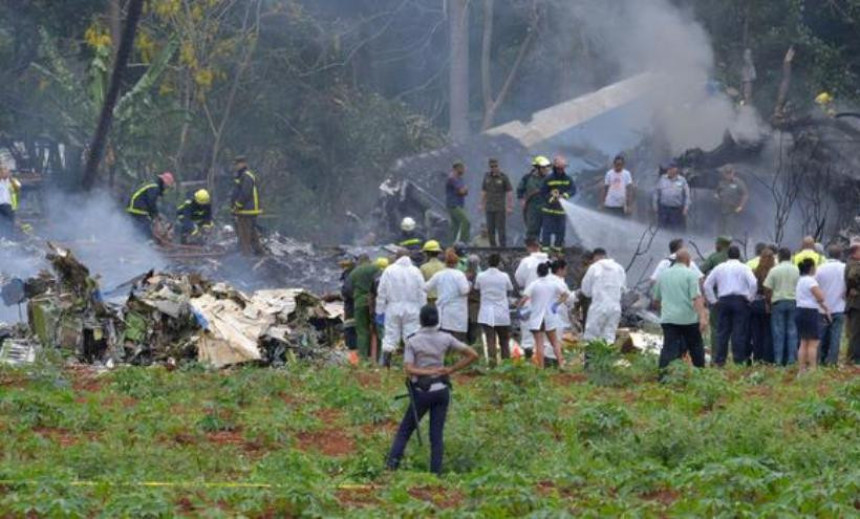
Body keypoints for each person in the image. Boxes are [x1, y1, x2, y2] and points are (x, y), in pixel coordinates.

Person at [386, 305, 478, 475]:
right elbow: (473, 354)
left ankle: (391, 466)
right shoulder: (446, 338)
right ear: (437, 320)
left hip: (422, 392)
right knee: (436, 435)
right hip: (441, 390)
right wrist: (450, 369)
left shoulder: (412, 341)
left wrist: (427, 372)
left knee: (405, 430)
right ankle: (435, 474)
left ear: (420, 320)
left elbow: (409, 369)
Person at [652, 249, 708, 373]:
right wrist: (702, 317)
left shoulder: (663, 275)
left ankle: (663, 377)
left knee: (668, 348)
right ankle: (701, 374)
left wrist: (664, 312)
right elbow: (696, 298)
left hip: (669, 319)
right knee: (696, 348)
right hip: (688, 319)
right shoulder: (691, 274)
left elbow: (656, 300)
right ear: (688, 261)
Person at [703, 245, 757, 366]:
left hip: (723, 300)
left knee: (722, 332)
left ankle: (720, 360)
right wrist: (750, 298)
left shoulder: (719, 267)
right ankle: (738, 361)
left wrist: (713, 300)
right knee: (739, 332)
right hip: (740, 301)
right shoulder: (744, 267)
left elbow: (707, 284)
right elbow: (753, 283)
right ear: (739, 255)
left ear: (728, 255)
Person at [376, 249, 427, 366]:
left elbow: (381, 293)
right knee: (412, 336)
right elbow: (422, 292)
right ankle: (412, 365)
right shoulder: (416, 271)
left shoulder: (389, 270)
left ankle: (386, 365)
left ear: (396, 257)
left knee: (390, 337)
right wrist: (422, 309)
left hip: (393, 308)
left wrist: (379, 311)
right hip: (413, 309)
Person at [520, 262, 569, 368]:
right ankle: (561, 364)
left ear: (537, 272)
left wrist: (519, 307)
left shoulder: (534, 284)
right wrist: (556, 304)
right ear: (548, 272)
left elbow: (524, 299)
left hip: (537, 317)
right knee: (555, 342)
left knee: (539, 343)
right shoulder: (553, 283)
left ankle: (541, 367)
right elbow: (565, 295)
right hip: (550, 316)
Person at [580, 248, 626, 344]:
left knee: (591, 336)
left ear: (594, 258)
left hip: (599, 306)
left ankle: (590, 358)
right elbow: (623, 289)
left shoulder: (594, 268)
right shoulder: (619, 268)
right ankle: (605, 358)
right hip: (615, 307)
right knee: (609, 336)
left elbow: (585, 291)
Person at [475, 253, 514, 366]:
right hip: (501, 312)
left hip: (486, 312)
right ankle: (506, 366)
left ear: (488, 262)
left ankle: (492, 366)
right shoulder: (504, 276)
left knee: (490, 339)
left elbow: (476, 287)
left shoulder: (481, 276)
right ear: (499, 263)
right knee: (504, 341)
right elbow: (510, 288)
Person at [763, 247, 801, 365]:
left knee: (778, 332)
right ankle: (791, 360)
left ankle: (778, 360)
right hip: (793, 302)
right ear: (790, 256)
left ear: (779, 257)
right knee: (792, 331)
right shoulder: (797, 269)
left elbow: (767, 288)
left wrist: (768, 302)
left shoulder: (774, 270)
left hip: (778, 302)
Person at [514, 237, 549, 358]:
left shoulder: (526, 261)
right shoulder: (549, 260)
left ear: (529, 247)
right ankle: (543, 357)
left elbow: (519, 279)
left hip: (529, 299)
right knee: (545, 328)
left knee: (527, 326)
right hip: (547, 300)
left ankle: (529, 354)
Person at [425, 249, 470, 341]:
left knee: (444, 336)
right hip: (457, 311)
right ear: (456, 263)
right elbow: (464, 291)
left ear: (445, 262)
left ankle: (445, 355)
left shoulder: (439, 275)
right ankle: (456, 355)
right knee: (457, 338)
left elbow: (426, 287)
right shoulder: (459, 275)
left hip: (443, 311)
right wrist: (469, 283)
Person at [795, 259, 830, 374]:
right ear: (811, 268)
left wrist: (824, 308)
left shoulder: (800, 281)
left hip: (800, 311)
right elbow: (820, 297)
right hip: (810, 312)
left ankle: (801, 369)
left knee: (803, 341)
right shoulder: (811, 281)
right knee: (813, 343)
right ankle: (813, 369)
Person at [815, 244, 846, 366]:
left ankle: (820, 360)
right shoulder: (844, 268)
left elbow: (814, 286)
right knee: (836, 336)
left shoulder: (820, 269)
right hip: (839, 307)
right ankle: (832, 361)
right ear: (840, 255)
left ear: (828, 254)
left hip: (822, 308)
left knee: (822, 335)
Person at [701, 236, 732, 348]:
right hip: (735, 298)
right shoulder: (738, 258)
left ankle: (716, 355)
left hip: (717, 297)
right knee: (732, 327)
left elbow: (700, 271)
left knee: (715, 327)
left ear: (719, 245)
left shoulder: (714, 257)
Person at [540, 155, 576, 251]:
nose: (561, 170)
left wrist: (565, 195)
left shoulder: (568, 179)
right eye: (559, 168)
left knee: (561, 231)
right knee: (547, 231)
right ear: (554, 168)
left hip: (561, 211)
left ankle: (557, 250)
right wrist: (551, 198)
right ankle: (545, 250)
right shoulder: (548, 178)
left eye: (562, 168)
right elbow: (543, 192)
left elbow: (573, 190)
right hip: (548, 210)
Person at [544, 259, 575, 367]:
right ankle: (552, 365)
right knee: (554, 341)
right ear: (560, 270)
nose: (566, 272)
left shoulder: (544, 279)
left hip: (543, 315)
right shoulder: (559, 282)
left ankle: (545, 365)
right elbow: (569, 299)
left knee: (545, 341)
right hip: (556, 315)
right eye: (565, 269)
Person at [349, 254, 381, 359]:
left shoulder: (354, 272)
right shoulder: (376, 269)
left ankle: (363, 358)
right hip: (375, 303)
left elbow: (348, 289)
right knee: (378, 331)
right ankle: (378, 357)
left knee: (362, 331)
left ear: (360, 261)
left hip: (360, 303)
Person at [126, 171, 175, 239]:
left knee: (136, 227)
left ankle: (134, 241)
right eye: (167, 187)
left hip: (133, 206)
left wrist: (155, 215)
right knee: (145, 226)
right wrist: (156, 215)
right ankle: (147, 244)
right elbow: (151, 202)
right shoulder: (154, 187)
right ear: (164, 184)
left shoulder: (152, 185)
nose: (166, 189)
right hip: (138, 207)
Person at [231, 156, 263, 256]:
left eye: (238, 164)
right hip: (247, 210)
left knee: (244, 234)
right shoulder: (243, 176)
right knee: (252, 232)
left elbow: (245, 193)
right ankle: (258, 252)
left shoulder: (246, 176)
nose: (236, 166)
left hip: (246, 210)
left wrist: (237, 205)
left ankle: (246, 256)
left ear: (243, 164)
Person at [749, 247, 775, 363]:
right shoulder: (773, 272)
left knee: (756, 333)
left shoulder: (754, 271)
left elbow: (751, 288)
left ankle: (757, 357)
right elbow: (770, 290)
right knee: (768, 332)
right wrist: (769, 304)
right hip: (767, 305)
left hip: (755, 304)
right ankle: (768, 358)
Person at [480, 158, 513, 247]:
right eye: (492, 166)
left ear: (498, 166)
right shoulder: (486, 176)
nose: (494, 168)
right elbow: (484, 191)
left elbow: (509, 192)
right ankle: (493, 247)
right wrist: (481, 204)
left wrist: (509, 206)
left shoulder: (503, 177)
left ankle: (503, 247)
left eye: (495, 166)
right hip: (489, 207)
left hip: (500, 207)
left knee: (501, 228)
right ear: (489, 167)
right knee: (490, 229)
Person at [517, 155, 551, 241]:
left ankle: (547, 250)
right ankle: (533, 250)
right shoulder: (527, 178)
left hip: (547, 207)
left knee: (548, 230)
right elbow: (520, 190)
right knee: (532, 230)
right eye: (544, 168)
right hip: (532, 208)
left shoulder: (550, 179)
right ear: (537, 168)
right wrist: (522, 201)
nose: (546, 169)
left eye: (547, 167)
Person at [652, 162, 690, 231]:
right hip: (664, 209)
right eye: (668, 169)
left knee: (675, 229)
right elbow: (656, 193)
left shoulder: (682, 180)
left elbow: (687, 195)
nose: (669, 170)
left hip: (676, 210)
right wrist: (655, 206)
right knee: (662, 229)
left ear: (675, 169)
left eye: (671, 169)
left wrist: (686, 208)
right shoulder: (662, 179)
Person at [714, 164, 748, 237]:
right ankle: (721, 247)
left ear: (733, 172)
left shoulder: (738, 182)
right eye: (726, 173)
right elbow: (717, 191)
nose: (728, 175)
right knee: (720, 230)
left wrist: (741, 206)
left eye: (729, 173)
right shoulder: (721, 182)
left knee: (729, 231)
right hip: (722, 209)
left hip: (732, 210)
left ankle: (728, 246)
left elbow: (745, 194)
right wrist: (716, 196)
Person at [446, 162, 470, 244]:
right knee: (466, 222)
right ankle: (463, 243)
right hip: (453, 205)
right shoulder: (452, 178)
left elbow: (465, 192)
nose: (464, 170)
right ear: (457, 168)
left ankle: (450, 245)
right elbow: (462, 191)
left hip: (459, 204)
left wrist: (464, 190)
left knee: (455, 226)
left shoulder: (460, 179)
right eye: (462, 168)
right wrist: (464, 190)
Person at [845, 241, 860, 365]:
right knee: (855, 331)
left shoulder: (850, 263)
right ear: (855, 252)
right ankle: (853, 357)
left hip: (854, 302)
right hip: (856, 303)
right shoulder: (854, 265)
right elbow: (851, 278)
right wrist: (853, 288)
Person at [420, 240, 445, 305]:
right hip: (442, 300)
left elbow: (420, 286)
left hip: (428, 301)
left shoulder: (423, 267)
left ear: (428, 253)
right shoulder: (444, 267)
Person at [0, 166, 16, 239]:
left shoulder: (11, 182)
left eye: (7, 172)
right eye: (3, 172)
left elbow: (17, 189)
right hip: (0, 205)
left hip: (9, 206)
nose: (6, 173)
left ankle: (9, 239)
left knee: (10, 224)